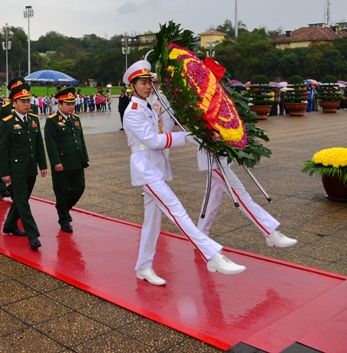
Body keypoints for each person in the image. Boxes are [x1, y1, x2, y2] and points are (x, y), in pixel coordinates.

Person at [122, 60, 245, 286]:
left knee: (153, 222)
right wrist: (187, 137)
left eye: (150, 82)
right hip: (145, 169)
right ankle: (212, 255)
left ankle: (143, 266)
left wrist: (168, 103)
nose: (148, 87)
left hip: (155, 168)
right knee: (177, 211)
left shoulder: (149, 106)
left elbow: (165, 131)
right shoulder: (132, 112)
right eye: (142, 83)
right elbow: (154, 141)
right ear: (133, 86)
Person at [196, 149, 297, 248]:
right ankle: (270, 232)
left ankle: (200, 237)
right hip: (213, 161)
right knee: (240, 195)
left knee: (212, 199)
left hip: (221, 158)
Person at [0, 83, 48, 250]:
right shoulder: (7, 122)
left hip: (30, 168)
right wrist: (4, 173)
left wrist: (43, 164)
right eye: (22, 101)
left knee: (22, 200)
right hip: (16, 169)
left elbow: (38, 145)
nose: (27, 104)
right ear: (14, 103)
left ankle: (9, 225)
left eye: (28, 100)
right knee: (23, 202)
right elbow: (2, 150)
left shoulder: (33, 119)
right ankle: (33, 235)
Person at [44, 88, 89, 233]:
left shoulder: (76, 119)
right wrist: (56, 162)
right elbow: (51, 144)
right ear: (59, 104)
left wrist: (84, 158)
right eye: (68, 104)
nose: (71, 106)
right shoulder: (52, 121)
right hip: (62, 164)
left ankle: (62, 208)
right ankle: (64, 219)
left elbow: (80, 140)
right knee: (62, 192)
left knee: (79, 188)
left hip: (76, 162)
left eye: (73, 103)